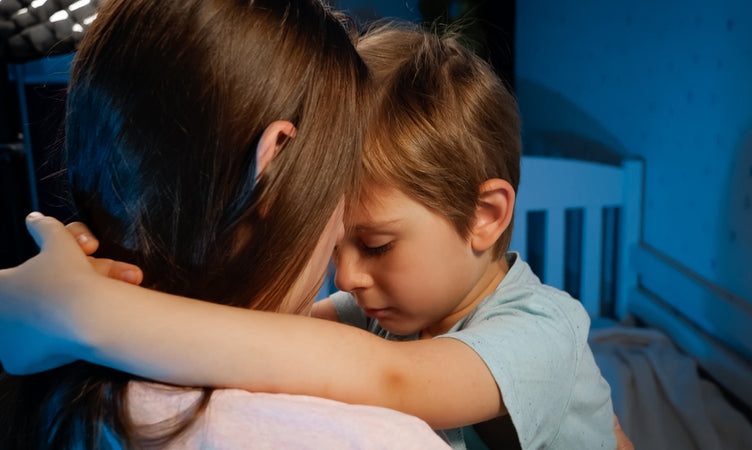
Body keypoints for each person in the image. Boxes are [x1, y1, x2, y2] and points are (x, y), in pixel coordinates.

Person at [0, 22, 632, 450]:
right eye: (336, 247)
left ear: (486, 216)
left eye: (377, 245)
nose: (349, 277)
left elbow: (394, 381)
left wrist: (85, 310)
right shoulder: (385, 312)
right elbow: (255, 341)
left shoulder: (545, 327)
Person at [0, 1, 449, 448]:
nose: (344, 269)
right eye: (340, 178)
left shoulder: (38, 376)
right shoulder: (376, 438)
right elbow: (395, 377)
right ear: (273, 167)